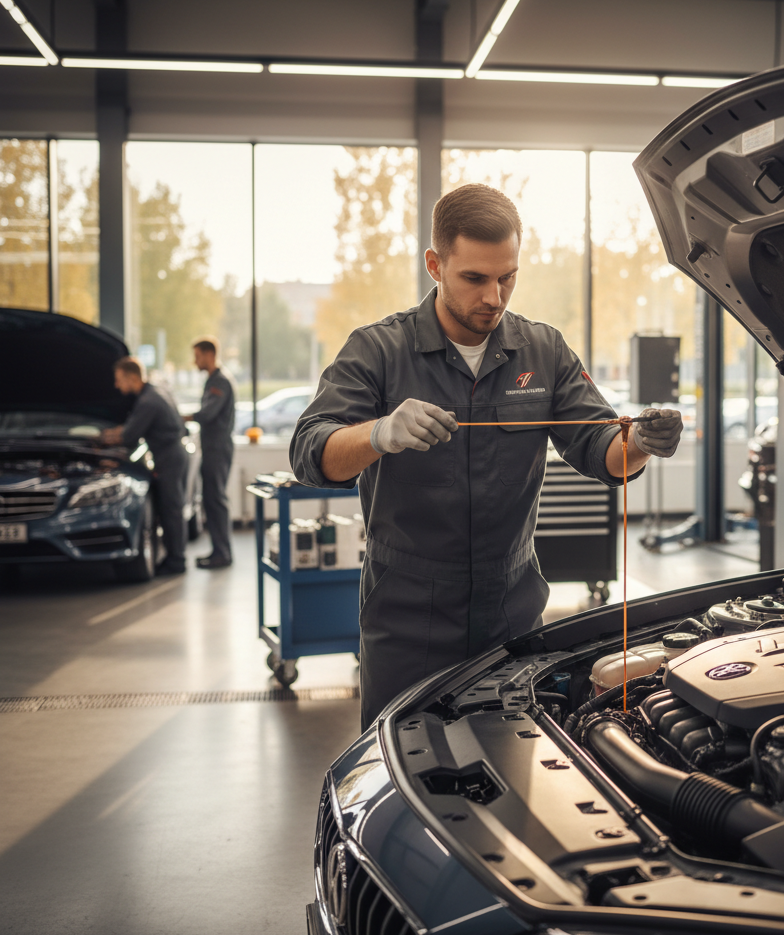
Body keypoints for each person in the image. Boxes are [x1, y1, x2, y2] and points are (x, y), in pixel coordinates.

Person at [291, 184, 683, 729]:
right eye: (474, 278)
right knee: (402, 759)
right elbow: (310, 453)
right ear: (435, 265)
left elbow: (600, 449)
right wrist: (378, 433)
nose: (494, 297)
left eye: (507, 277)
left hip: (512, 610)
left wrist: (640, 442)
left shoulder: (543, 351)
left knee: (516, 756)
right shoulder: (379, 350)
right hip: (407, 615)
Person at [102, 356, 188, 575]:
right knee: (172, 509)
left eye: (119, 379)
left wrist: (103, 438)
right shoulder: (156, 391)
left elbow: (129, 436)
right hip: (174, 454)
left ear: (132, 377)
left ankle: (176, 561)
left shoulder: (147, 402)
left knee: (171, 510)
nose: (116, 385)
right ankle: (174, 557)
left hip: (169, 458)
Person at [184, 337, 236, 568]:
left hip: (218, 448)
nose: (195, 361)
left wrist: (183, 417)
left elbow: (207, 414)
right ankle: (218, 550)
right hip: (212, 448)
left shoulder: (220, 382)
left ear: (209, 355)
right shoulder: (213, 380)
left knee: (215, 500)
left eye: (197, 356)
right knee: (211, 499)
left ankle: (222, 554)